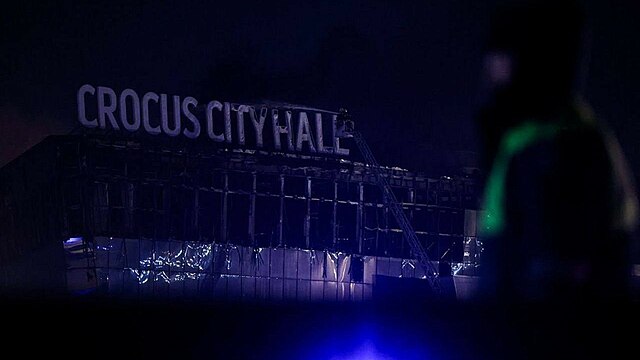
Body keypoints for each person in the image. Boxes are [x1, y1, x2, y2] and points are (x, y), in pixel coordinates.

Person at [476, 0, 638, 302]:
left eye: (501, 61)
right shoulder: (562, 138)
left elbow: (546, 279)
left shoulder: (558, 149)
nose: (491, 74)